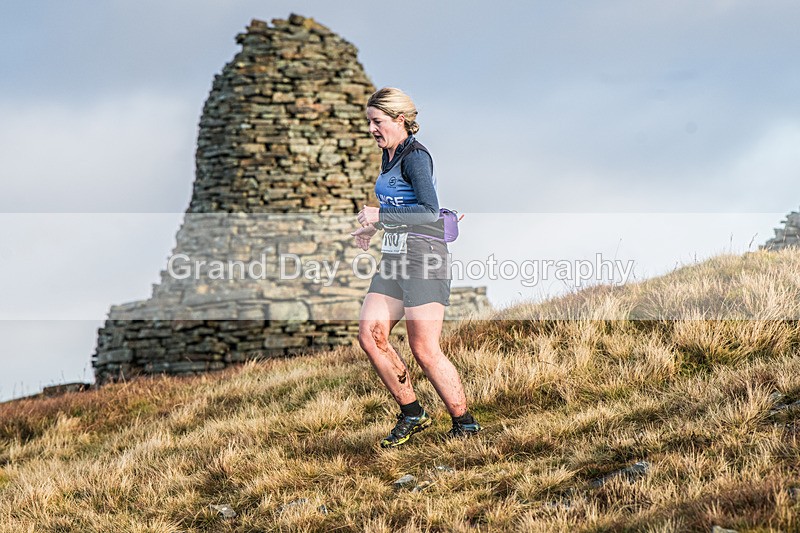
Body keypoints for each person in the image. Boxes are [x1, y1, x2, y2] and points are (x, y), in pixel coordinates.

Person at [351, 87, 481, 448]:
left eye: (377, 122)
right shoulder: (389, 154)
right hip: (395, 257)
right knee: (371, 335)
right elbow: (401, 208)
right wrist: (374, 227)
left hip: (424, 257)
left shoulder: (415, 157)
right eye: (369, 122)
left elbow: (427, 210)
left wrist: (380, 214)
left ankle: (465, 424)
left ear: (400, 119)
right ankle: (412, 414)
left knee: (424, 348)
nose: (372, 129)